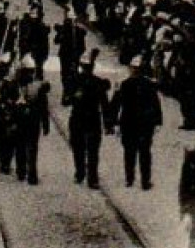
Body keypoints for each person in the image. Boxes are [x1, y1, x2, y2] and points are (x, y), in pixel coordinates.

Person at [115, 57, 163, 190]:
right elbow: (156, 104)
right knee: (144, 153)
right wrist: (158, 121)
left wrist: (114, 122)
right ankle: (145, 181)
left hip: (129, 122)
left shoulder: (125, 84)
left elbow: (118, 104)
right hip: (144, 124)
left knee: (129, 152)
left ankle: (129, 179)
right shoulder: (149, 84)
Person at [67, 58, 112, 189]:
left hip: (81, 119)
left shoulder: (76, 81)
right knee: (88, 150)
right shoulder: (97, 83)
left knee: (82, 149)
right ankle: (89, 176)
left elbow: (104, 104)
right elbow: (105, 104)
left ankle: (83, 173)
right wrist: (107, 122)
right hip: (89, 119)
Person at [12, 57, 51, 186]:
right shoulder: (15, 85)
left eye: (31, 71)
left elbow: (44, 107)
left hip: (33, 120)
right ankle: (21, 170)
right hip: (20, 120)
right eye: (27, 71)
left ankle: (31, 173)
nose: (29, 74)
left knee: (32, 148)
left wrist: (45, 124)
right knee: (20, 146)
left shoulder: (38, 87)